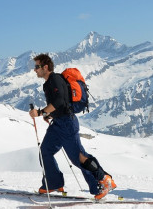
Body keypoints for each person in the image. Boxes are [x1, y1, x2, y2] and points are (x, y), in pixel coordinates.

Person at [28, 53, 117, 200]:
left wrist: (41, 112)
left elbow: (59, 102)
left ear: (45, 67)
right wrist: (50, 115)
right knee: (45, 151)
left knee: (78, 158)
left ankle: (103, 181)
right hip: (58, 123)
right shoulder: (49, 82)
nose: (34, 70)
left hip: (67, 124)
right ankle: (53, 183)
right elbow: (61, 104)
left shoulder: (55, 79)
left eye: (37, 67)